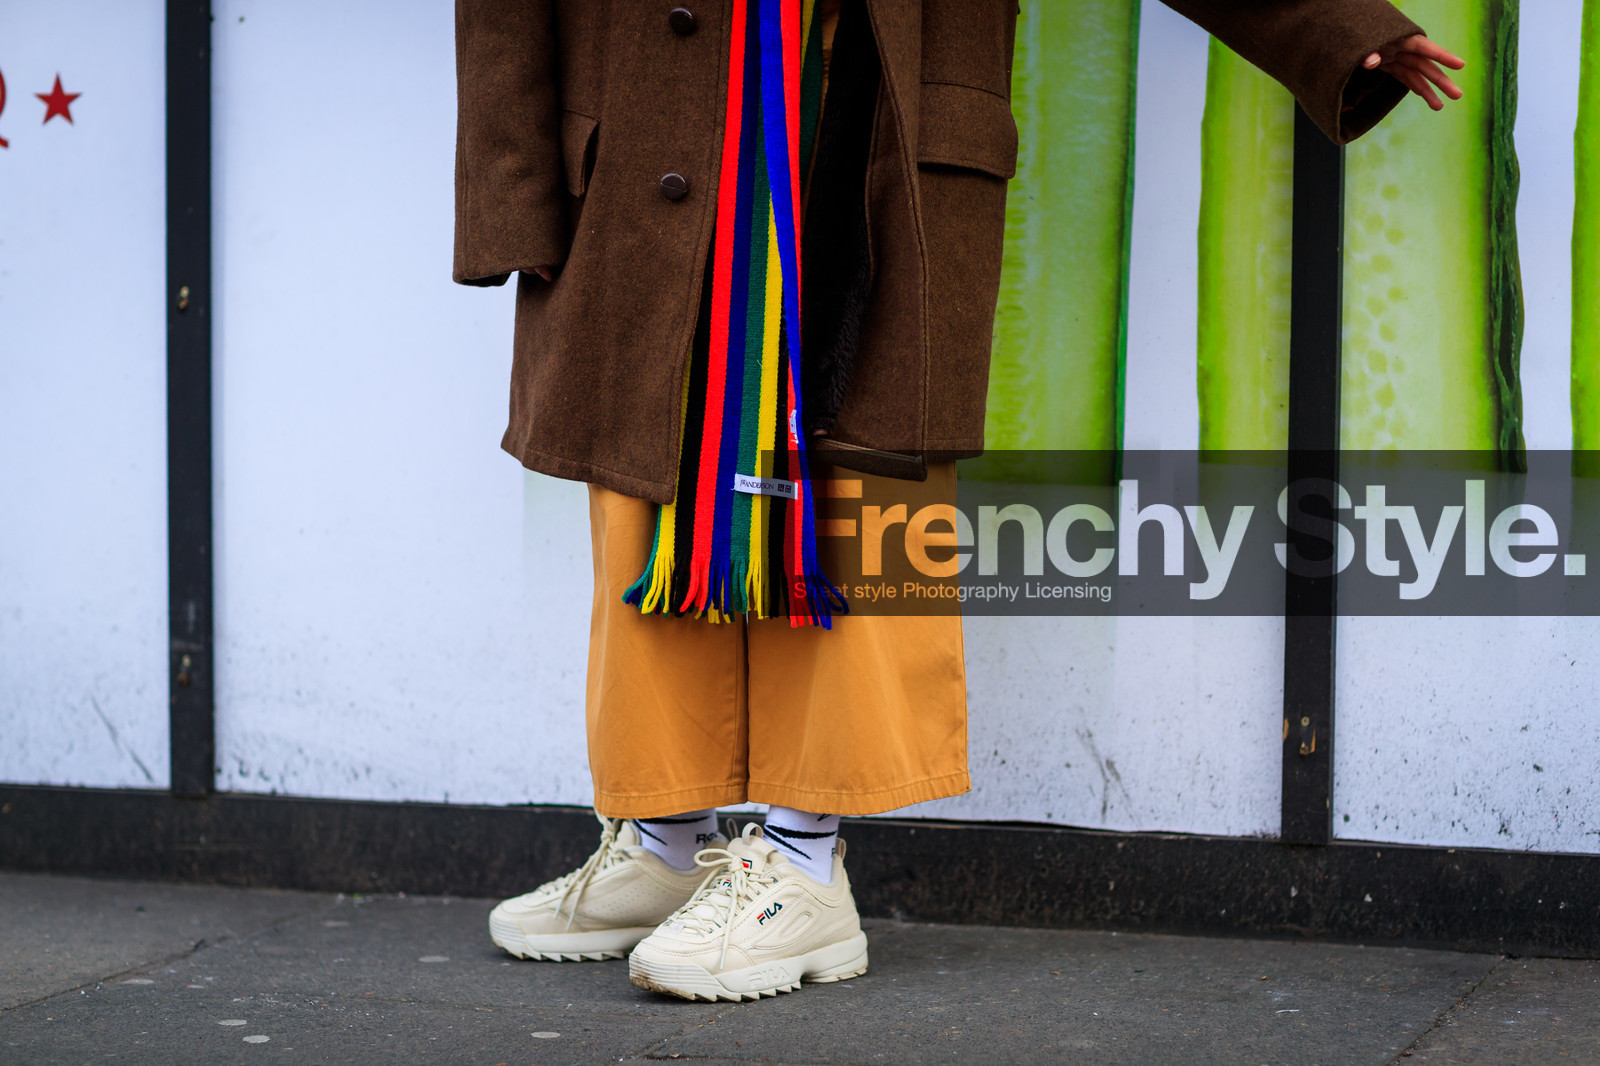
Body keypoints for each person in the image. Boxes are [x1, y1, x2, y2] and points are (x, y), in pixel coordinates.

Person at [452, 0, 1464, 1003]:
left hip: (868, 112)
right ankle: (669, 842)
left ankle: (803, 871)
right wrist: (511, 184)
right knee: (647, 475)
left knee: (858, 477)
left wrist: (1330, 25)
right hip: (641, 124)